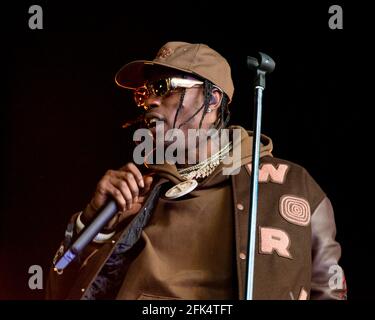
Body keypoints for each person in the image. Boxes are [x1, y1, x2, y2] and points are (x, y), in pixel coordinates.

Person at [46, 41, 347, 300]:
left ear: (212, 99)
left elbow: (328, 288)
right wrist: (91, 225)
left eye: (163, 88)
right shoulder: (136, 193)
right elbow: (58, 292)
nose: (150, 101)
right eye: (144, 93)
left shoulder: (291, 186)